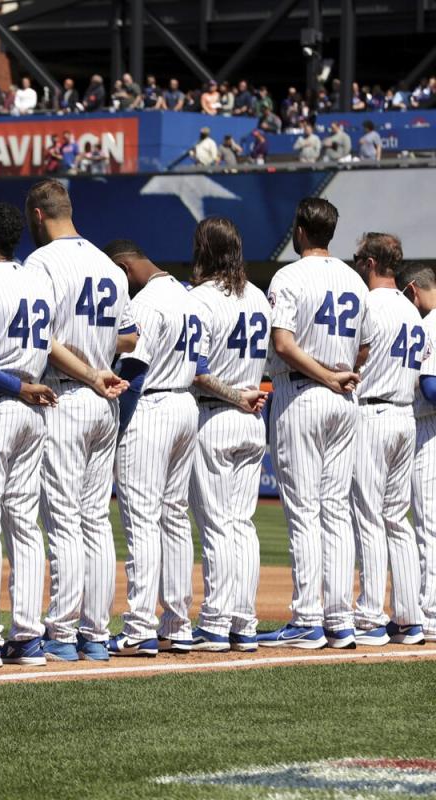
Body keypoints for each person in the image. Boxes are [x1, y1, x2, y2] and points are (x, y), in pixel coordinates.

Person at [0, 203, 125, 668]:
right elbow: (66, 343)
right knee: (27, 525)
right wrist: (93, 374)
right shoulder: (37, 286)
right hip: (36, 412)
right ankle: (29, 635)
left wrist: (19, 384)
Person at [22, 179, 137, 662]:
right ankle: (95, 632)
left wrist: (88, 368)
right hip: (104, 399)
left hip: (67, 396)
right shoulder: (109, 266)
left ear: (37, 215)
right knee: (95, 519)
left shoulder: (42, 263)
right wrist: (101, 354)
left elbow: (43, 339)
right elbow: (130, 339)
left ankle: (64, 632)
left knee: (65, 519)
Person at [260, 198, 370, 650]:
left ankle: (308, 618)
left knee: (305, 511)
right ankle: (339, 618)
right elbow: (363, 348)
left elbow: (283, 344)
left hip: (304, 393)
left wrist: (323, 373)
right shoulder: (354, 280)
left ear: (300, 231)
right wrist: (338, 372)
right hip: (344, 398)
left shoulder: (289, 276)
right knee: (336, 511)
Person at [104, 240, 219, 656]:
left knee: (142, 518)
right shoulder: (189, 298)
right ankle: (177, 624)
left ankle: (138, 627)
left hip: (151, 404)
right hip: (185, 404)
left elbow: (134, 371)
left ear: (124, 266)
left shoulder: (147, 303)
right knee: (173, 516)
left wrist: (116, 428)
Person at [187, 217, 272, 653]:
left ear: (205, 249)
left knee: (219, 525)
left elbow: (198, 372)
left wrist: (236, 396)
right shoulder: (258, 297)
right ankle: (244, 621)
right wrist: (246, 396)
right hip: (253, 417)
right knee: (242, 524)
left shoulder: (200, 299)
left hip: (219, 415)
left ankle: (217, 623)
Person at [348, 233, 426, 647]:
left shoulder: (368, 304)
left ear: (374, 261)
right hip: (404, 416)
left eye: (361, 256)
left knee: (369, 517)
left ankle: (371, 616)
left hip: (373, 413)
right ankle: (410, 618)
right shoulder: (413, 311)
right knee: (398, 519)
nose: (358, 262)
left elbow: (351, 359)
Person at [397, 262, 436, 643]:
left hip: (428, 430)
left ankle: (429, 610)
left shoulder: (429, 324)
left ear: (412, 290)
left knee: (427, 524)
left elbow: (430, 388)